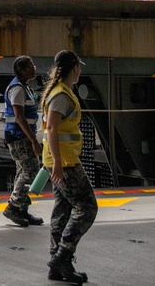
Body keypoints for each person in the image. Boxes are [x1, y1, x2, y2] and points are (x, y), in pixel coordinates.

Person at [41, 50, 97, 284]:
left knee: (63, 209)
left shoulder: (57, 92)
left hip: (59, 160)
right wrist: (59, 165)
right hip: (65, 162)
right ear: (74, 67)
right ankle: (63, 256)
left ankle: (57, 264)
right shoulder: (62, 95)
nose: (80, 71)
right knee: (87, 207)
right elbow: (52, 129)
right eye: (79, 66)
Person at [2, 55, 44, 227]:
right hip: (19, 136)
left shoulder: (25, 88)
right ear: (20, 70)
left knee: (22, 172)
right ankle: (13, 207)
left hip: (23, 135)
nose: (33, 68)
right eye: (29, 66)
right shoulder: (17, 89)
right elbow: (19, 117)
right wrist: (34, 140)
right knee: (30, 171)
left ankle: (22, 209)